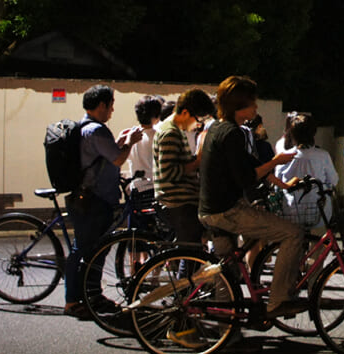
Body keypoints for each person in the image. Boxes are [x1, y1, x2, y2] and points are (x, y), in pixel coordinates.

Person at [199, 76, 303, 320]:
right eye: (252, 104)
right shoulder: (232, 133)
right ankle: (277, 301)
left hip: (210, 209)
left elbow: (251, 163)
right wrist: (275, 162)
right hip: (227, 210)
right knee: (293, 233)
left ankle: (226, 330)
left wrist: (282, 183)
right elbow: (247, 177)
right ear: (239, 106)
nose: (256, 108)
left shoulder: (217, 127)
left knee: (227, 273)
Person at [64, 84, 143, 319]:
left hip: (89, 198)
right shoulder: (97, 130)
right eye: (111, 105)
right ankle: (74, 301)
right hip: (94, 200)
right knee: (85, 251)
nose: (112, 110)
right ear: (101, 105)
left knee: (91, 251)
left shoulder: (84, 128)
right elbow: (118, 159)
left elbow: (105, 155)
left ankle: (90, 297)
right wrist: (131, 142)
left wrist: (120, 141)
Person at [153, 89, 216, 250]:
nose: (198, 124)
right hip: (178, 203)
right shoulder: (170, 133)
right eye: (198, 119)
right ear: (186, 112)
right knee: (190, 254)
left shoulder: (175, 130)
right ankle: (186, 277)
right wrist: (198, 161)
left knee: (189, 251)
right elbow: (168, 173)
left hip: (180, 202)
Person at [275, 112, 339, 230]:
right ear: (313, 132)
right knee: (320, 242)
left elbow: (277, 182)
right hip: (319, 212)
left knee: (294, 242)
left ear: (292, 134)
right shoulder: (323, 156)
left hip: (291, 211)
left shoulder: (284, 156)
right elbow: (333, 180)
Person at [125, 95, 164, 201]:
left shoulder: (130, 135)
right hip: (155, 189)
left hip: (137, 188)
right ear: (156, 116)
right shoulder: (160, 136)